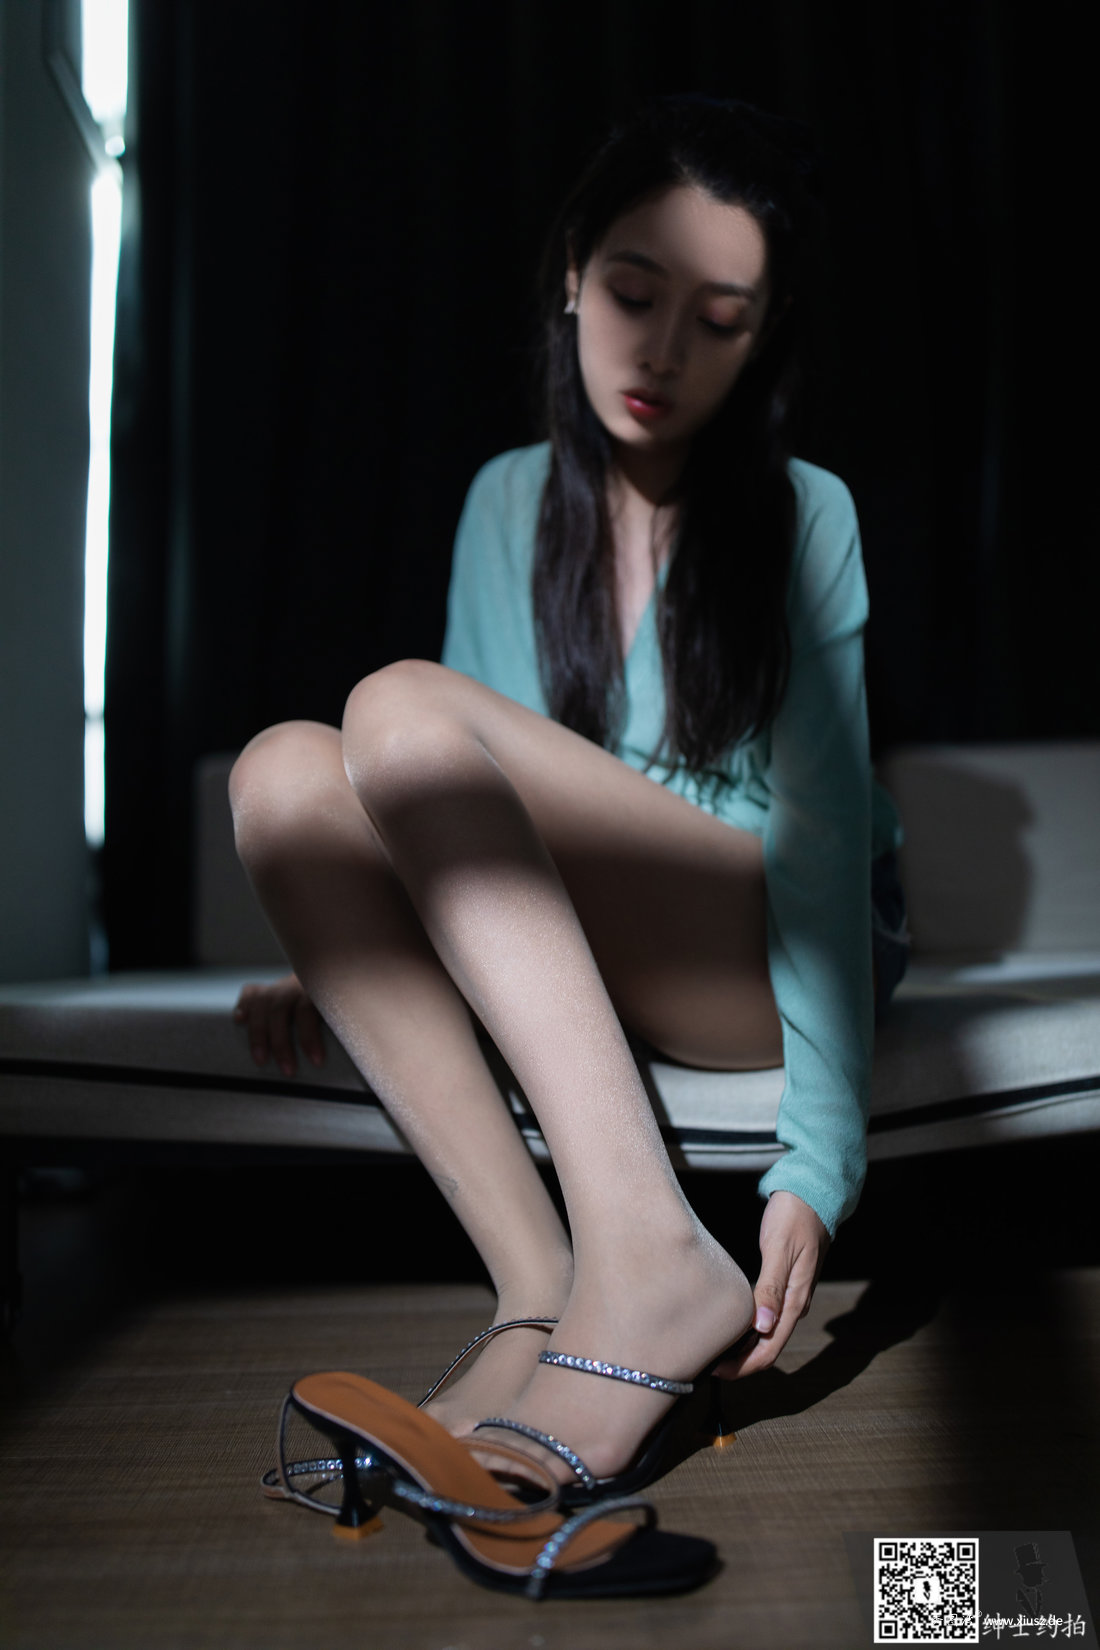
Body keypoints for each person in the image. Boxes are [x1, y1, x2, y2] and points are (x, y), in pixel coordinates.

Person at [229, 95, 905, 1500]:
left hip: (765, 938)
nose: (661, 351)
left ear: (763, 336)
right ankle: (538, 1290)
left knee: (398, 701)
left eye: (718, 319)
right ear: (572, 276)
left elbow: (824, 848)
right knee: (283, 774)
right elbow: (445, 799)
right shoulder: (507, 502)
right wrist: (353, 940)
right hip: (590, 932)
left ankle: (650, 1253)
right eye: (633, 294)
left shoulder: (807, 514)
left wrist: (819, 1161)